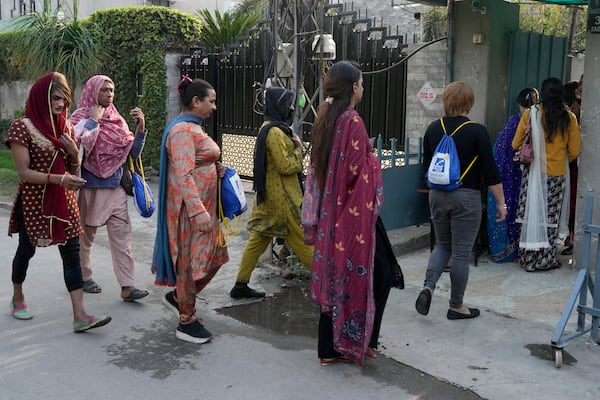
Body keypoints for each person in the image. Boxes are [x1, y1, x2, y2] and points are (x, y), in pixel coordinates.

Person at [6, 72, 111, 332]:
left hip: (64, 200)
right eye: (55, 98)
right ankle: (17, 297)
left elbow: (73, 168)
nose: (61, 104)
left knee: (72, 255)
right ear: (42, 97)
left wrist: (74, 153)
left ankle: (80, 315)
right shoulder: (23, 127)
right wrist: (58, 179)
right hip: (34, 200)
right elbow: (23, 172)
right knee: (26, 251)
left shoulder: (65, 127)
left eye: (64, 99)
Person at [305, 60, 393, 366]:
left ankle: (330, 347)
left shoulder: (326, 116)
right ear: (353, 87)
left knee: (336, 276)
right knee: (380, 273)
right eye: (361, 82)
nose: (364, 87)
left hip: (332, 212)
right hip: (353, 216)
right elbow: (357, 171)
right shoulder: (352, 121)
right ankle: (355, 340)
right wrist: (373, 159)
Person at [416, 81, 507, 320]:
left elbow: (426, 167)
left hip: (436, 195)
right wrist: (501, 202)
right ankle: (456, 306)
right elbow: (490, 171)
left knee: (442, 245)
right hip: (465, 197)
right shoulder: (477, 131)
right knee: (460, 253)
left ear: (446, 101)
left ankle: (428, 287)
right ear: (469, 103)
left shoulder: (433, 129)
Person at [151, 77, 228, 344]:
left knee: (215, 257)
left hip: (205, 209)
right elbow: (183, 176)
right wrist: (197, 212)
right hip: (190, 213)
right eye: (212, 101)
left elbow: (196, 163)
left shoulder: (192, 128)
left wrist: (215, 169)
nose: (214, 107)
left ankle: (179, 297)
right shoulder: (183, 131)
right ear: (196, 101)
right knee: (187, 264)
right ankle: (186, 320)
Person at [70, 75, 149, 301]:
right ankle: (85, 277)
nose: (109, 94)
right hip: (89, 188)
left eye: (112, 90)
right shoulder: (78, 118)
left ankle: (127, 286)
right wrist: (93, 122)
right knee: (86, 238)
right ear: (93, 91)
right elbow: (78, 151)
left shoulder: (118, 120)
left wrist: (141, 129)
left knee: (123, 239)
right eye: (104, 90)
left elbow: (132, 154)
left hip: (116, 188)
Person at [229, 87, 313, 299]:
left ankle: (240, 284)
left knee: (258, 240)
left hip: (269, 199)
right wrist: (298, 150)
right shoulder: (275, 132)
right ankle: (330, 284)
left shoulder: (271, 128)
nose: (292, 108)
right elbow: (285, 166)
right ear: (277, 106)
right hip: (283, 200)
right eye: (288, 104)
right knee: (303, 242)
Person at [512, 77, 581, 272]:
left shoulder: (531, 114)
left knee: (531, 214)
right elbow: (575, 149)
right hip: (557, 174)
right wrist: (560, 160)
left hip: (533, 172)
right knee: (550, 218)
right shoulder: (569, 118)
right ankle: (545, 259)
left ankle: (528, 259)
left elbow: (516, 144)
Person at [487, 88, 538, 263]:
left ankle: (501, 250)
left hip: (508, 171)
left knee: (505, 205)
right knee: (518, 207)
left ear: (519, 103)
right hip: (525, 171)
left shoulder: (515, 120)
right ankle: (517, 248)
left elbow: (501, 149)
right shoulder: (538, 120)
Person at [560, 78, 583, 256]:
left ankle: (573, 238)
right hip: (572, 160)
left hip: (576, 159)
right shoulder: (569, 113)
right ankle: (571, 237)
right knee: (572, 199)